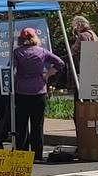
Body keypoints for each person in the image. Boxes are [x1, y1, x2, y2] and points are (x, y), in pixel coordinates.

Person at [10, 26, 66, 158]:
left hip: (21, 91)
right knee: (37, 124)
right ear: (35, 37)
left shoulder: (17, 53)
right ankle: (37, 154)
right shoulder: (42, 51)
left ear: (21, 39)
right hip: (39, 90)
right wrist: (47, 75)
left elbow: (10, 68)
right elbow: (60, 63)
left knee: (21, 124)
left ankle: (21, 153)